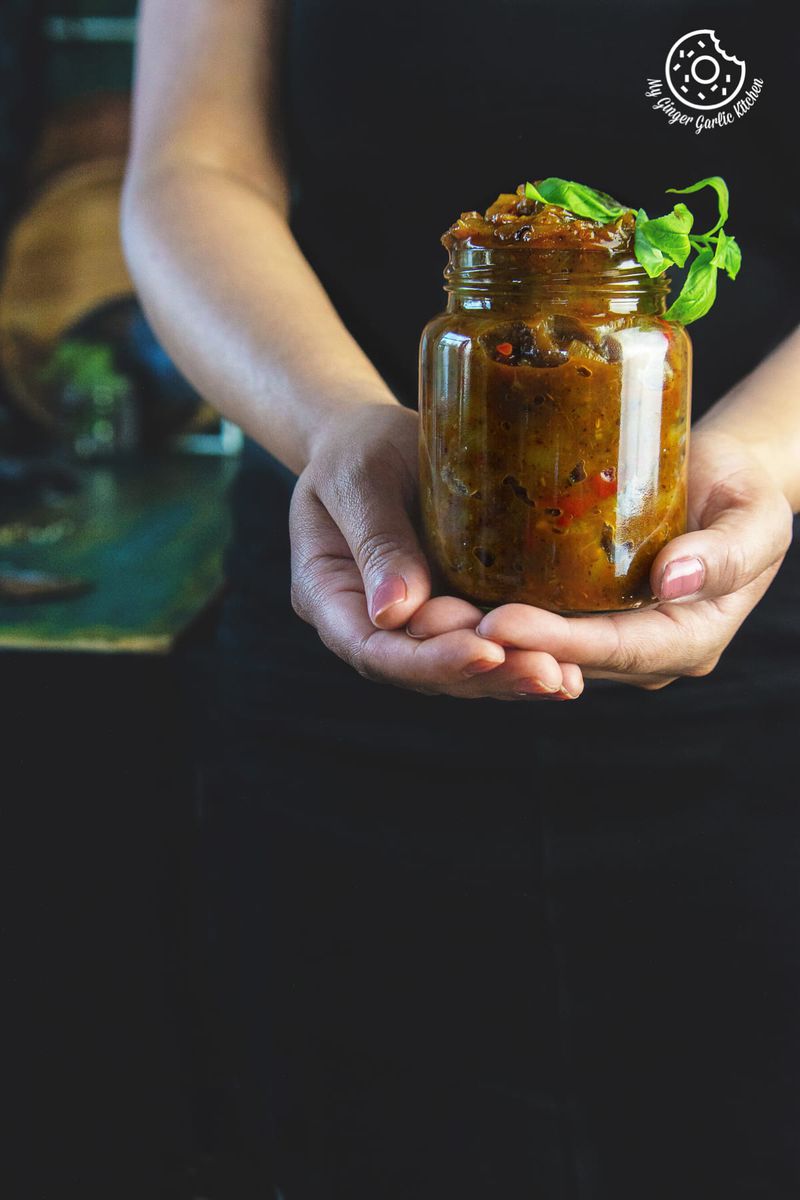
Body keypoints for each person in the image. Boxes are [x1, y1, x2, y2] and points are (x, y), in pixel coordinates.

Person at [122, 1, 800, 1195]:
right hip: (352, 589)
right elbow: (192, 168)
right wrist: (336, 424)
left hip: (759, 610)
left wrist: (756, 462)